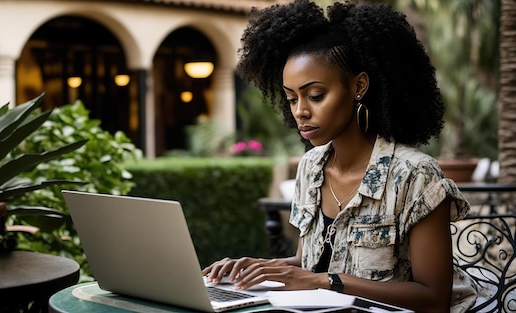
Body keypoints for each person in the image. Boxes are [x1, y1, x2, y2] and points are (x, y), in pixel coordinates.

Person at [202, 1, 484, 312]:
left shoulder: (415, 175)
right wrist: (252, 269)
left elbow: (434, 300)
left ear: (359, 86)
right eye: (291, 98)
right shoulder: (311, 167)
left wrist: (327, 281)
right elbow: (308, 262)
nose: (300, 111)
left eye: (315, 95)